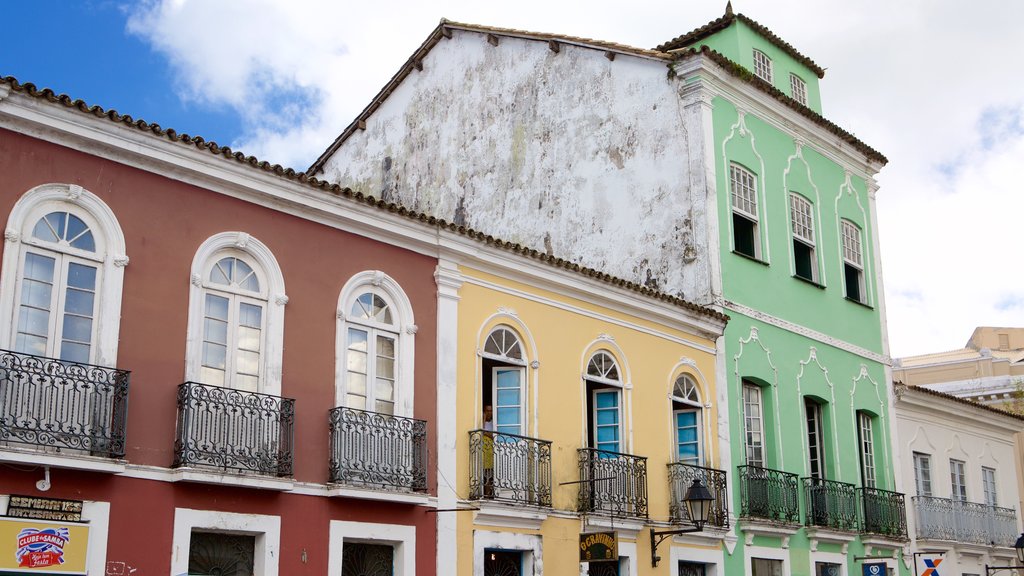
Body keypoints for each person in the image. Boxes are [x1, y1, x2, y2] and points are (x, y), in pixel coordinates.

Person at [482, 404, 495, 497]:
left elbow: (494, 436)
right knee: (484, 474)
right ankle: (485, 494)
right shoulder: (482, 422)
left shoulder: (494, 423)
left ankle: (489, 494)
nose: (489, 413)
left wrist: (486, 433)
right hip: (483, 450)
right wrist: (483, 418)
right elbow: (481, 431)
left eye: (491, 411)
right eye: (487, 411)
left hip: (491, 451)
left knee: (489, 474)